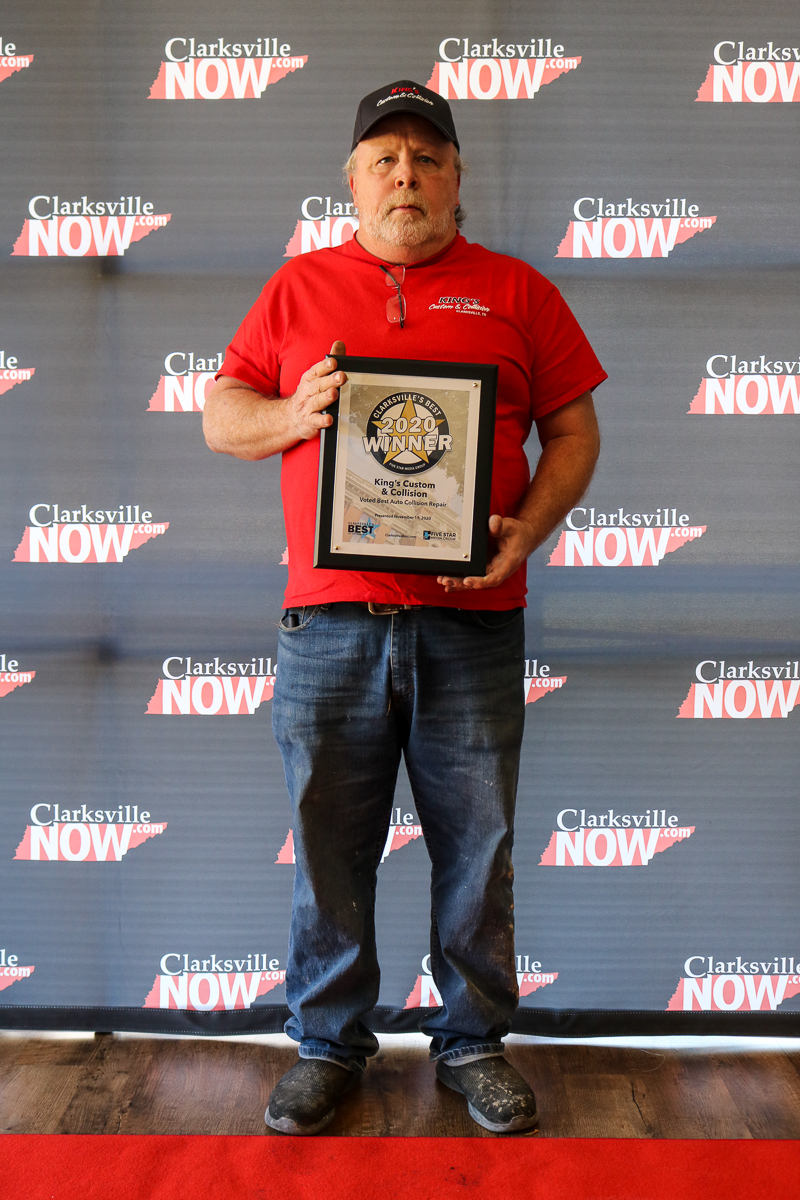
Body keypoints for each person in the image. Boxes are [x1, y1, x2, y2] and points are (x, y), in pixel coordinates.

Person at [203, 79, 606, 1136]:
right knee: (327, 845)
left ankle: (471, 1041)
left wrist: (526, 529)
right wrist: (293, 412)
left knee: (477, 846)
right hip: (329, 623)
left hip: (473, 621)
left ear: (457, 179)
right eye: (383, 158)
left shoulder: (518, 290)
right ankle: (327, 1044)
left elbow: (574, 433)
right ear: (351, 182)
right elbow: (221, 416)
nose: (406, 176)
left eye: (428, 158)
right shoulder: (296, 287)